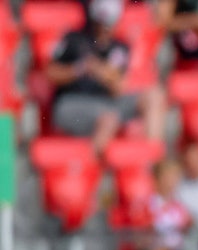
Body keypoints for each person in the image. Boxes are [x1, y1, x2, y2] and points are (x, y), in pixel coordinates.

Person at [46, 0, 166, 154]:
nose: (104, 28)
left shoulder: (120, 48)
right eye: (101, 22)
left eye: (108, 22)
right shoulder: (73, 40)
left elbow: (118, 87)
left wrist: (99, 71)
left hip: (107, 102)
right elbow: (50, 73)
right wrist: (77, 70)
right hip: (72, 102)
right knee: (108, 119)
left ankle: (152, 156)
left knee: (154, 96)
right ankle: (89, 164)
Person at [145, 158, 192, 250]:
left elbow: (188, 227)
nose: (173, 181)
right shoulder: (148, 204)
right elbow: (144, 232)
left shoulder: (180, 205)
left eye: (175, 176)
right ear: (158, 178)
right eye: (169, 176)